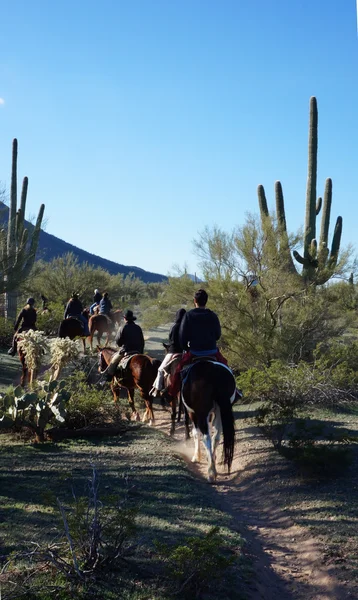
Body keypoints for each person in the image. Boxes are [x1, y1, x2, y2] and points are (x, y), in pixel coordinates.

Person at [168, 289, 240, 398]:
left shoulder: (188, 316)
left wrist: (186, 348)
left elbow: (182, 338)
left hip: (194, 353)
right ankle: (235, 391)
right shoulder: (213, 315)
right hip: (212, 351)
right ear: (206, 301)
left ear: (194, 301)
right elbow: (217, 335)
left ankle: (171, 393)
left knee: (179, 370)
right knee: (226, 367)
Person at [150, 308, 186, 397]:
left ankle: (158, 389)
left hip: (173, 351)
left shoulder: (174, 326)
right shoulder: (187, 326)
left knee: (160, 369)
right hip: (185, 352)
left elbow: (172, 340)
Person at [101, 309, 144, 381]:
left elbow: (118, 341)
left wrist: (121, 345)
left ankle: (108, 378)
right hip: (138, 350)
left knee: (113, 362)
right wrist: (140, 351)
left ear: (125, 319)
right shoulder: (138, 327)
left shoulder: (122, 327)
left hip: (127, 350)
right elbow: (142, 341)